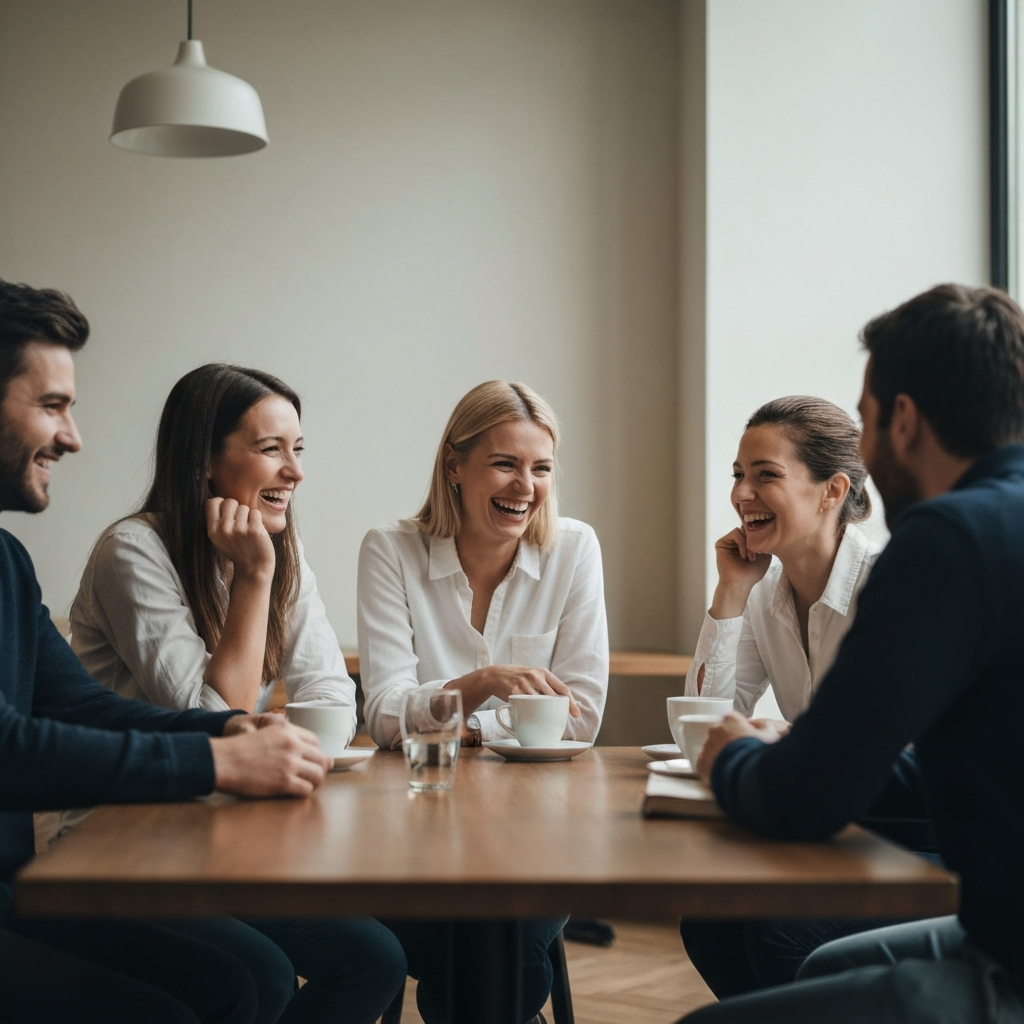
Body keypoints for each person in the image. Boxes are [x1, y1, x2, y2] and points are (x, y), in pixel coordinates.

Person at [680, 283, 1024, 1024]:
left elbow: (805, 798)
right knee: (801, 953)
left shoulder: (947, 542)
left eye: (866, 421)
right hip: (992, 923)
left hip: (1005, 951)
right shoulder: (997, 526)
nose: (741, 493)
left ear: (903, 421)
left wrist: (742, 757)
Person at [0, 278, 333, 1024]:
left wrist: (225, 731)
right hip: (79, 863)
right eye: (51, 406)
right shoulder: (132, 548)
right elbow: (9, 748)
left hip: (19, 884)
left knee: (248, 982)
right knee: (218, 993)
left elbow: (82, 708)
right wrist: (216, 755)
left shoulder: (6, 561)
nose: (74, 436)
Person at [70, 362, 408, 1024]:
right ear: (204, 460)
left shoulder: (287, 557)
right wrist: (254, 577)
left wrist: (267, 575)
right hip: (119, 842)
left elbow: (333, 700)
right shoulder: (133, 552)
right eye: (271, 449)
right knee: (263, 972)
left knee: (376, 958)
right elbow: (211, 724)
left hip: (229, 834)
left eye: (298, 450)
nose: (296, 472)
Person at [358, 380, 609, 1024]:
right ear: (454, 467)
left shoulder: (574, 549)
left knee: (510, 962)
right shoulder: (391, 549)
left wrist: (453, 720)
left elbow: (580, 714)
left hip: (540, 834)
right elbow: (384, 714)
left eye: (541, 467)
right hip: (414, 827)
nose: (525, 485)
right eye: (505, 463)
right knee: (455, 955)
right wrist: (484, 685)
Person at [680, 396, 901, 994]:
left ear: (832, 491)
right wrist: (729, 592)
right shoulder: (762, 591)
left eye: (766, 475)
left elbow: (895, 750)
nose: (741, 495)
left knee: (780, 931)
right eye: (738, 476)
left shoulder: (887, 587)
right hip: (823, 829)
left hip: (901, 837)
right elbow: (703, 724)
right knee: (707, 919)